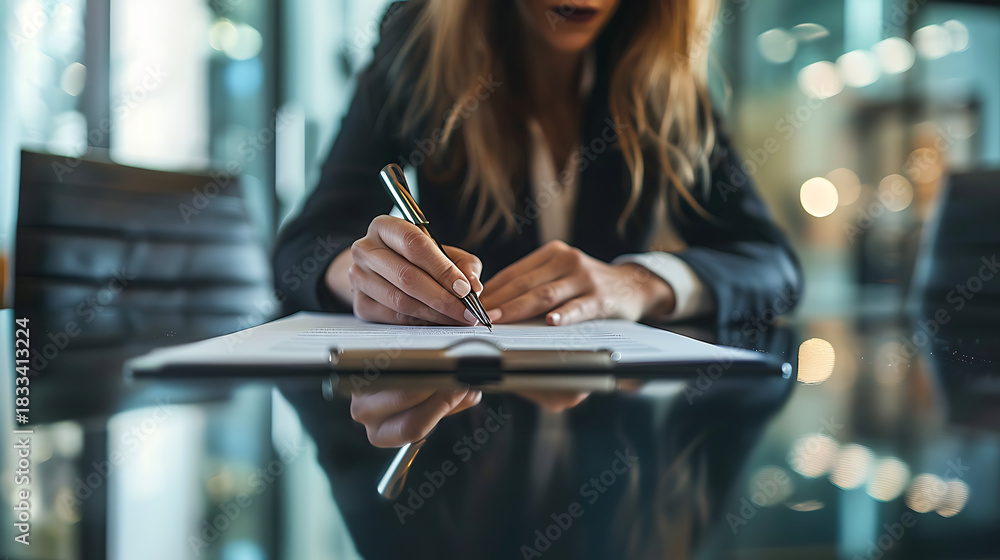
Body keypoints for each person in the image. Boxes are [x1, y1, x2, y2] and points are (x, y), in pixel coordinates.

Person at [274, 0, 801, 448]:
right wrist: (363, 275)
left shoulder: (656, 64)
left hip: (614, 446)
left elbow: (772, 264)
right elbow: (304, 246)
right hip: (456, 437)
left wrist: (640, 283)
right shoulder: (423, 39)